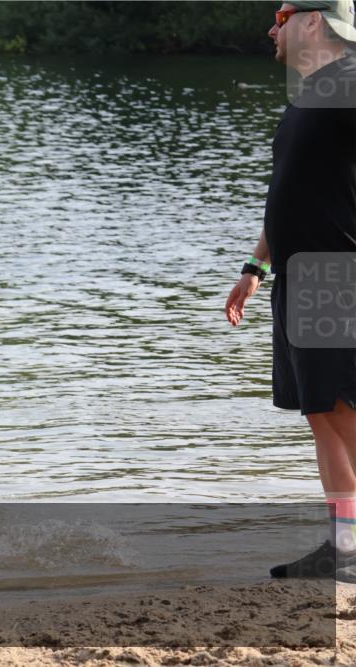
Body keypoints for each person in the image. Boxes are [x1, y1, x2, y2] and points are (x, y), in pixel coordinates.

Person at [225, 1, 356, 577]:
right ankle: (344, 549)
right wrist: (256, 267)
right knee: (323, 414)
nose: (271, 29)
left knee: (345, 414)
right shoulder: (312, 94)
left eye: (281, 17)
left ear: (312, 21)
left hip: (337, 275)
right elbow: (292, 194)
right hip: (298, 277)